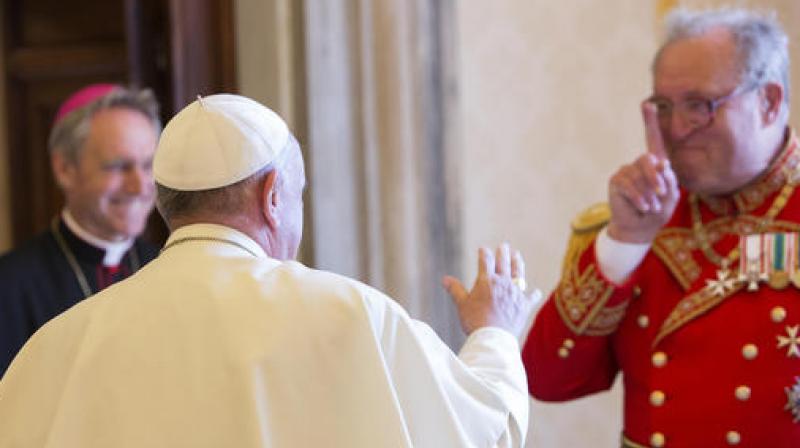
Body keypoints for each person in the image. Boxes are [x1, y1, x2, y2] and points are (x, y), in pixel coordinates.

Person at [0, 94, 538, 447]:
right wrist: (494, 331)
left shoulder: (61, 342)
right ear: (274, 196)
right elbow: (487, 432)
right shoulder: (352, 314)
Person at [521, 7, 800, 447]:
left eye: (700, 106)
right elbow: (548, 379)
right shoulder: (640, 220)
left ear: (769, 102)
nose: (676, 129)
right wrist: (623, 244)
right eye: (664, 107)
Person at [0, 84, 162, 376]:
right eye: (118, 166)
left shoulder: (166, 268)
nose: (139, 186)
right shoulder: (10, 285)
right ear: (65, 169)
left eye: (148, 165)